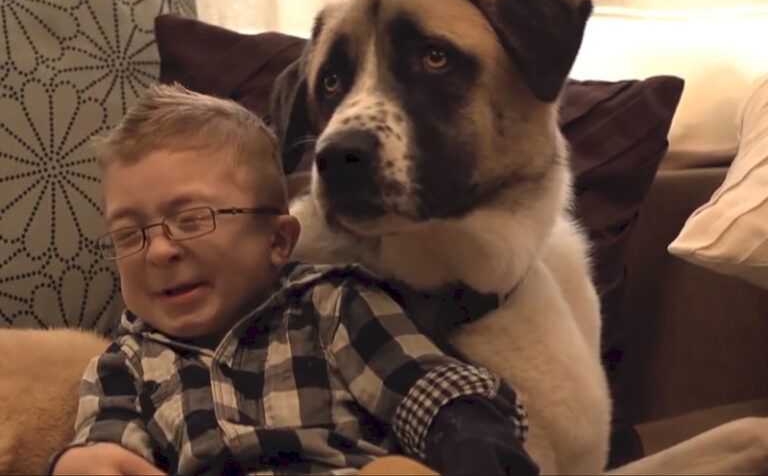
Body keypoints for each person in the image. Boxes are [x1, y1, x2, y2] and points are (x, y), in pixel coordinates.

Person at [50, 83, 538, 475]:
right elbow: (107, 439)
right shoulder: (127, 360)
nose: (158, 250)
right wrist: (86, 461)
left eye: (193, 219)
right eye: (129, 234)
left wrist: (470, 436)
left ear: (278, 241)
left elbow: (431, 389)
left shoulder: (332, 305)